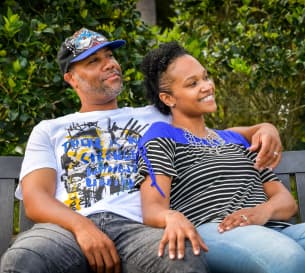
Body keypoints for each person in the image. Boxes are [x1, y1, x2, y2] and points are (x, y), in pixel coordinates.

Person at [0, 28, 282, 273]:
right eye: (94, 61)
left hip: (139, 229)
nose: (109, 64)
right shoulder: (49, 129)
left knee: (182, 258)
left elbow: (218, 135)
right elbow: (36, 199)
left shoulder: (157, 115)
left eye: (110, 56)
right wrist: (82, 227)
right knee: (23, 260)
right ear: (72, 79)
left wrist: (265, 127)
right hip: (67, 230)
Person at [135, 41, 305, 273]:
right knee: (288, 259)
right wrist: (171, 217)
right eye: (193, 84)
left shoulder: (235, 138)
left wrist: (261, 212)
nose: (206, 86)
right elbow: (153, 208)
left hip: (273, 228)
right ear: (168, 99)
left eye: (205, 77)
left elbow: (286, 203)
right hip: (216, 231)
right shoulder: (161, 137)